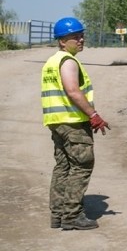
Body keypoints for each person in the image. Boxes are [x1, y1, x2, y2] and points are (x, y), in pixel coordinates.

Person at [41, 16, 110, 231]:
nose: (81, 39)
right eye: (75, 37)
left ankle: (58, 214)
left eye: (82, 35)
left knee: (63, 166)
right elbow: (72, 90)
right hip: (73, 123)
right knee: (81, 166)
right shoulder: (68, 61)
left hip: (57, 122)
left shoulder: (51, 62)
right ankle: (72, 215)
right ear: (62, 41)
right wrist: (93, 115)